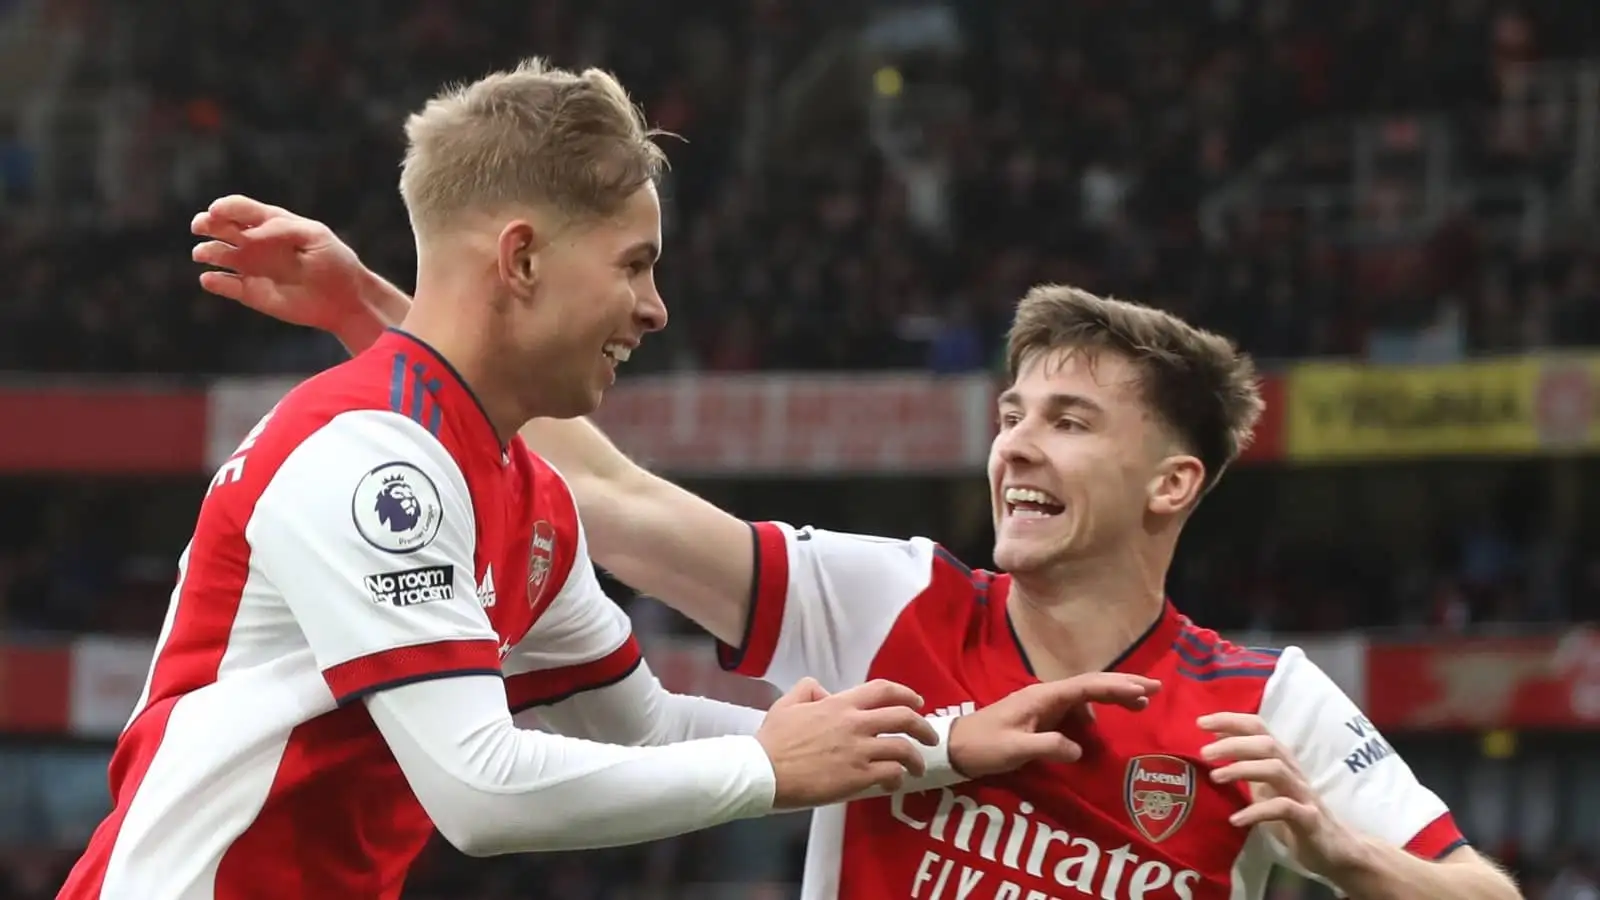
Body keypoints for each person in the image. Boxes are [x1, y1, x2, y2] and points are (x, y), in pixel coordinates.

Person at [61, 61, 1160, 900]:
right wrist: (772, 772)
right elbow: (479, 790)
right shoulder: (367, 459)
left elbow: (634, 729)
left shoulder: (521, 492)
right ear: (523, 260)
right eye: (634, 264)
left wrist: (936, 746)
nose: (654, 309)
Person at [189, 228, 1519, 898]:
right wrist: (387, 305)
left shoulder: (1264, 709)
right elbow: (607, 494)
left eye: (1067, 422)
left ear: (1174, 482)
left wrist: (1352, 860)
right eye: (1009, 416)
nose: (1015, 449)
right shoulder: (893, 599)